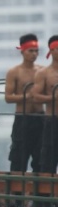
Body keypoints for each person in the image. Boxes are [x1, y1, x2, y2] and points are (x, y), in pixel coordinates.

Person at [5, 33, 44, 173]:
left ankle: (41, 194)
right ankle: (16, 192)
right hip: (23, 118)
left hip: (40, 117)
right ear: (22, 51)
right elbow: (8, 97)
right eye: (31, 51)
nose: (34, 54)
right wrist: (27, 96)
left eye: (36, 51)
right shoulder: (14, 72)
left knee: (41, 158)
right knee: (18, 158)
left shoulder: (42, 71)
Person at [33, 35, 58, 174]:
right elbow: (35, 96)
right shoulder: (43, 73)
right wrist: (52, 97)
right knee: (49, 158)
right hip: (52, 119)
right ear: (52, 50)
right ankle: (47, 193)